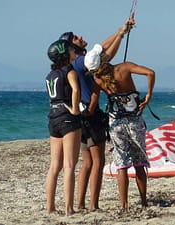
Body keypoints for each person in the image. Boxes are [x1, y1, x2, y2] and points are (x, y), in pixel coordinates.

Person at [59, 19, 135, 212]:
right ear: (71, 46)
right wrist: (120, 34)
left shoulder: (74, 64)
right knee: (98, 161)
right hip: (91, 116)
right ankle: (93, 205)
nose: (81, 37)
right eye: (76, 37)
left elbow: (102, 51)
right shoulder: (79, 62)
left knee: (87, 163)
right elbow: (104, 55)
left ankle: (81, 203)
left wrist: (120, 32)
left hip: (81, 117)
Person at [84, 43, 156, 210]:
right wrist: (149, 95)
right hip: (134, 122)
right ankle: (143, 201)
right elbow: (150, 73)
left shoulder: (98, 81)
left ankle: (124, 205)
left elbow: (91, 107)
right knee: (139, 162)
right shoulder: (124, 67)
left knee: (121, 164)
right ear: (104, 58)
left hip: (115, 123)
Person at [45, 39, 82, 216]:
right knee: (69, 165)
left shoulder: (50, 75)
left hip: (53, 118)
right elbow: (75, 90)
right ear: (64, 53)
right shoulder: (70, 71)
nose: (74, 51)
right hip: (68, 119)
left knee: (54, 166)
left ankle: (50, 207)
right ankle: (69, 208)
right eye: (71, 49)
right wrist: (75, 109)